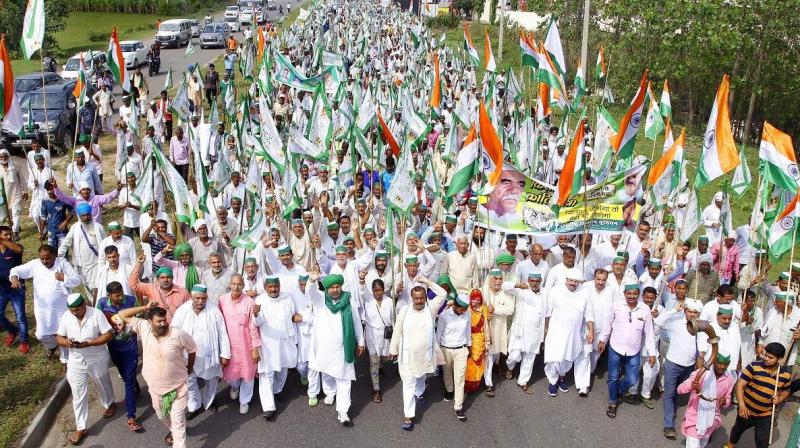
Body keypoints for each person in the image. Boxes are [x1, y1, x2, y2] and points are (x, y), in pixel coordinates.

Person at [117, 303, 197, 448]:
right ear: (150, 322)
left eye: (164, 320)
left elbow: (192, 349)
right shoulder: (143, 327)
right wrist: (144, 308)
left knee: (178, 423)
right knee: (162, 415)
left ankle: (177, 437)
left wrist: (189, 367)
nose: (163, 324)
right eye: (158, 321)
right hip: (155, 388)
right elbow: (122, 314)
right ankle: (172, 429)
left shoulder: (178, 334)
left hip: (178, 388)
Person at [388, 277, 449, 430]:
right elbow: (397, 330)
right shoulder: (404, 310)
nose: (419, 301)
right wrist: (393, 349)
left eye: (422, 297)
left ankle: (420, 392)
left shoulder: (431, 308)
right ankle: (409, 416)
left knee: (421, 376)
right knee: (408, 384)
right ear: (412, 298)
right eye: (416, 298)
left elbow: (442, 294)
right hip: (407, 356)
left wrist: (427, 282)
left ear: (425, 297)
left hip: (424, 355)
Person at [305, 271, 365, 426]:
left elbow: (357, 322)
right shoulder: (320, 299)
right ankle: (330, 393)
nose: (335, 290)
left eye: (337, 286)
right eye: (331, 287)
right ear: (326, 289)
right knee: (327, 372)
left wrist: (361, 342)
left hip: (344, 347)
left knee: (344, 378)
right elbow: (309, 292)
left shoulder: (348, 300)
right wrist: (312, 280)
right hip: (325, 347)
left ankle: (343, 411)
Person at [56, 293, 115, 445]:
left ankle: (109, 403)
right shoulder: (66, 316)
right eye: (72, 310)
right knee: (78, 394)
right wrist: (67, 342)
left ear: (83, 305)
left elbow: (108, 335)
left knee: (102, 382)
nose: (74, 313)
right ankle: (81, 427)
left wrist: (89, 343)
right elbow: (59, 337)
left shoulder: (96, 314)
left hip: (96, 358)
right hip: (75, 360)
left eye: (77, 309)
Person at [10, 244, 81, 363]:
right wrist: (14, 278)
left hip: (61, 307)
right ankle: (52, 346)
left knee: (63, 334)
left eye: (47, 258)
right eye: (42, 258)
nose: (44, 261)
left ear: (53, 255)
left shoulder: (62, 263)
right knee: (41, 334)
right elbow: (16, 270)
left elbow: (77, 280)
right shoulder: (35, 264)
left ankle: (65, 361)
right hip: (42, 308)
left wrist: (65, 278)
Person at [171, 284, 231, 420]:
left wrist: (225, 354)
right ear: (191, 297)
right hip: (187, 355)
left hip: (209, 354)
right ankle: (194, 405)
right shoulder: (182, 310)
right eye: (197, 298)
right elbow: (173, 331)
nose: (200, 301)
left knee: (211, 379)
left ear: (207, 297)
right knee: (189, 380)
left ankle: (209, 402)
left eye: (203, 298)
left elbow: (223, 333)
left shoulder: (214, 311)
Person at [597, 283, 657, 418]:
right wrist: (602, 340)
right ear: (624, 294)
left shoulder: (645, 309)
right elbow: (607, 325)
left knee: (632, 379)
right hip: (615, 348)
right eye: (629, 293)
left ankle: (618, 389)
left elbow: (649, 333)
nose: (631, 296)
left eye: (634, 294)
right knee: (613, 377)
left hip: (633, 351)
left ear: (639, 295)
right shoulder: (616, 306)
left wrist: (652, 353)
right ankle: (612, 402)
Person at [96, 281, 143, 432]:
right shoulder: (102, 304)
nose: (121, 297)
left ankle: (131, 416)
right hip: (114, 348)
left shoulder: (131, 300)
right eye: (117, 295)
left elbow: (140, 316)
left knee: (128, 380)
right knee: (125, 376)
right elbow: (98, 322)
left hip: (130, 347)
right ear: (109, 295)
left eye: (122, 293)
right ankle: (136, 388)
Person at [725, 342, 791, 448]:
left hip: (765, 415)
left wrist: (780, 398)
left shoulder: (785, 375)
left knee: (762, 441)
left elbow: (786, 391)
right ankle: (730, 445)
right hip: (746, 410)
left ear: (779, 359)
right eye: (765, 355)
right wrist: (741, 405)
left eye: (770, 357)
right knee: (737, 430)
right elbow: (739, 385)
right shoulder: (754, 366)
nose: (766, 358)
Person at [543, 268, 594, 398]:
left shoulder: (585, 292)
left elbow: (589, 314)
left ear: (579, 282)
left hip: (574, 334)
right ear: (566, 280)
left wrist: (591, 331)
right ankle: (553, 381)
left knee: (568, 359)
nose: (573, 283)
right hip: (556, 332)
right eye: (570, 280)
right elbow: (547, 313)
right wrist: (545, 329)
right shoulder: (556, 290)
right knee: (554, 358)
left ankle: (561, 378)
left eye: (576, 281)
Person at [218, 274, 261, 415]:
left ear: (243, 285)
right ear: (229, 284)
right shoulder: (222, 300)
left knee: (248, 375)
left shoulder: (249, 302)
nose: (236, 287)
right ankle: (235, 388)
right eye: (234, 284)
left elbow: (253, 327)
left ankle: (244, 401)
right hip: (229, 346)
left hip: (245, 346)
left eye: (239, 284)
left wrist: (255, 348)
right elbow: (218, 323)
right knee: (232, 377)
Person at [678, 353, 735, 448]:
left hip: (711, 418)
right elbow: (679, 389)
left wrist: (724, 401)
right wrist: (691, 385)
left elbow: (728, 398)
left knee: (702, 444)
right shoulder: (701, 373)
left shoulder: (729, 379)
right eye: (719, 363)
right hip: (694, 416)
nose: (722, 367)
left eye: (725, 364)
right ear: (713, 362)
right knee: (694, 445)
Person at [504, 272, 547, 394]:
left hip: (535, 332)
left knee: (529, 358)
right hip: (519, 331)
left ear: (541, 281)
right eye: (532, 281)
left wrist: (545, 329)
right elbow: (504, 287)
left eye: (537, 281)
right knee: (514, 356)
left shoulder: (544, 292)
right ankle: (510, 368)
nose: (534, 283)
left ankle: (523, 382)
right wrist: (517, 285)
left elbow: (546, 313)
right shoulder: (521, 290)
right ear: (528, 280)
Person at [437, 291, 472, 421]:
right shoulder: (444, 316)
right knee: (447, 373)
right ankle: (449, 390)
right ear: (455, 306)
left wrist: (469, 347)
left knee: (460, 379)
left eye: (465, 309)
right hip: (446, 349)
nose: (464, 312)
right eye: (462, 309)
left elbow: (468, 332)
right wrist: (437, 352)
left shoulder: (467, 315)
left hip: (461, 350)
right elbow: (438, 335)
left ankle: (458, 406)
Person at [129, 254, 191, 323]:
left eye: (168, 277)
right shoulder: (152, 288)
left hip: (176, 328)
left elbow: (190, 311)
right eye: (162, 277)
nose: (165, 280)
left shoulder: (183, 292)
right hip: (156, 329)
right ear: (158, 279)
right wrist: (139, 264)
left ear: (172, 278)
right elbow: (133, 285)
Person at [363, 278, 395, 403]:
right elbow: (361, 292)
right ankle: (376, 389)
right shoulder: (368, 302)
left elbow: (393, 319)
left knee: (384, 358)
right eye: (375, 290)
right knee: (374, 362)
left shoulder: (389, 302)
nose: (378, 293)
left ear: (384, 290)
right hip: (372, 336)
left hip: (385, 335)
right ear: (372, 291)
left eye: (380, 290)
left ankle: (380, 366)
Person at [0, 225, 27, 353]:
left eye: (10, 234)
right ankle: (12, 331)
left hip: (16, 289)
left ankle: (24, 340)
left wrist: (4, 240)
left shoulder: (14, 248)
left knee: (20, 317)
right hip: (2, 290)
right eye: (5, 234)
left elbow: (19, 249)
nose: (9, 236)